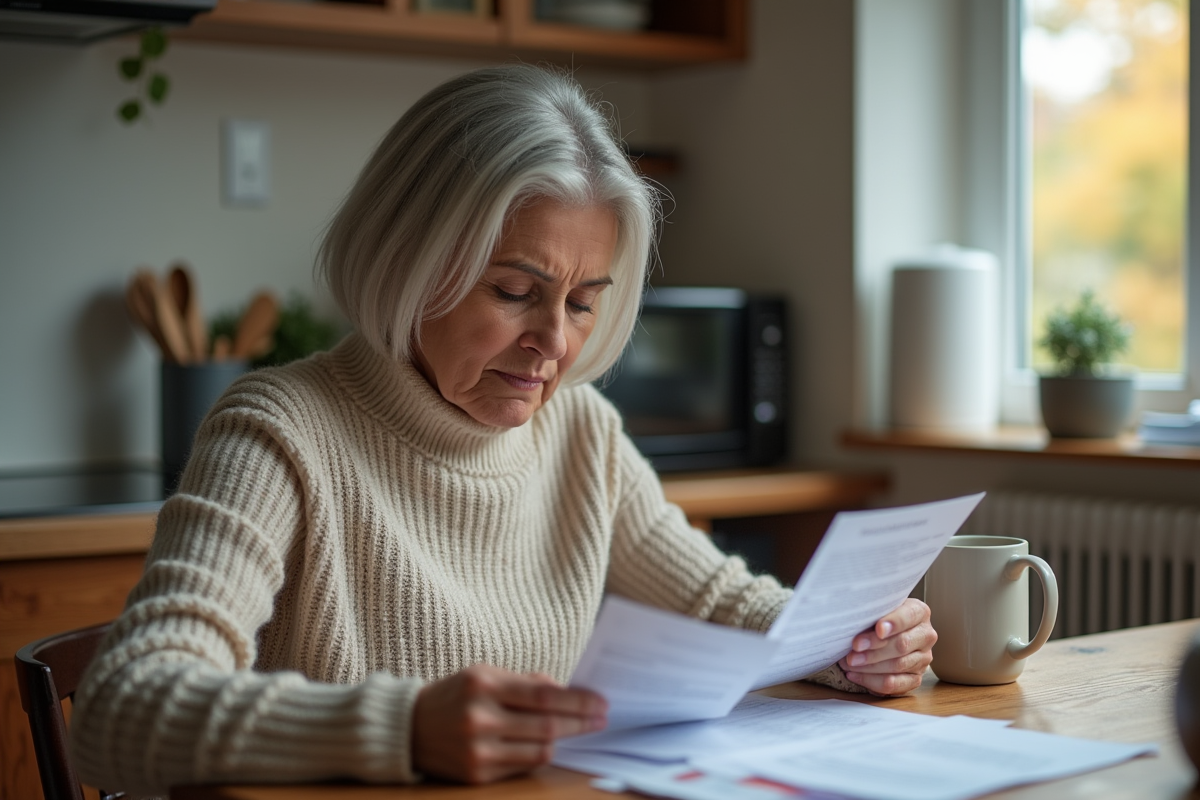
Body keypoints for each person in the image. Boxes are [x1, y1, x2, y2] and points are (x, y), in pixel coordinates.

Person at [70, 64, 936, 794]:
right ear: (408, 258)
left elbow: (716, 600)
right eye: (514, 292)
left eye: (583, 302)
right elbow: (123, 705)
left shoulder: (579, 435)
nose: (554, 344)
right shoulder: (279, 435)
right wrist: (402, 728)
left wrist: (847, 645)